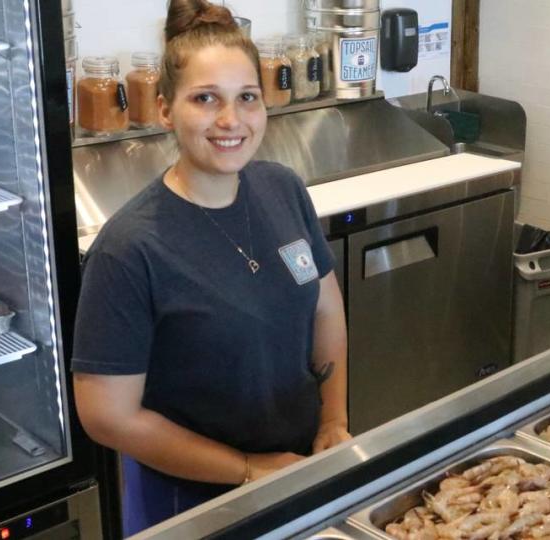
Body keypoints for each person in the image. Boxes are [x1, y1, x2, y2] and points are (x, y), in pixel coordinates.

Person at [70, 0, 350, 534]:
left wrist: (333, 421)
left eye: (247, 98)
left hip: (295, 470)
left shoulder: (282, 190)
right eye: (205, 99)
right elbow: (108, 415)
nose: (231, 121)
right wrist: (247, 470)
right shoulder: (129, 249)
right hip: (189, 502)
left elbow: (325, 308)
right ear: (165, 110)